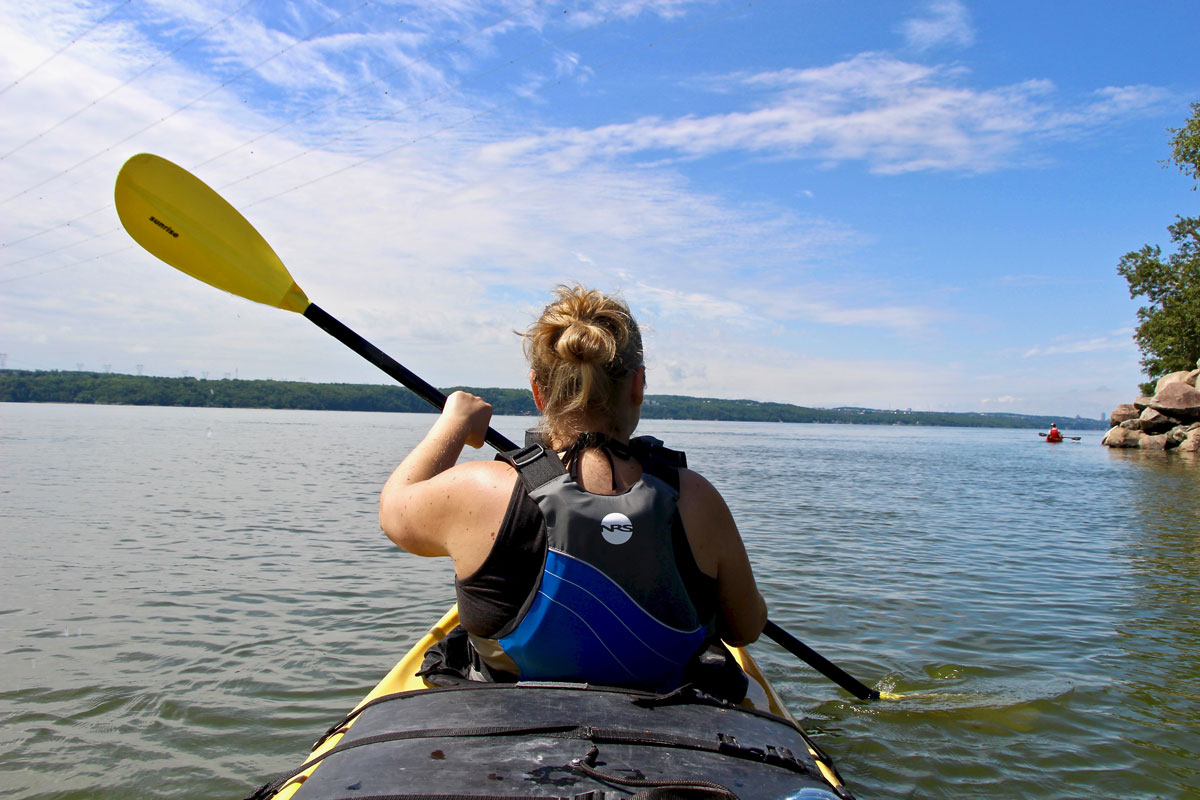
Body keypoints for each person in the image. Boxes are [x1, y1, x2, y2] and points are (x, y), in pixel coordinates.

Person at [378, 285, 766, 692]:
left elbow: (393, 510)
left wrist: (454, 422)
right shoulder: (696, 498)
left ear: (538, 391)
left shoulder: (479, 491)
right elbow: (745, 629)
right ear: (638, 385)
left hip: (508, 716)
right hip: (664, 716)